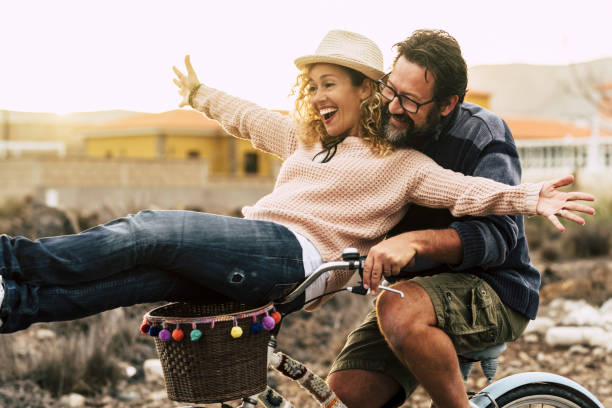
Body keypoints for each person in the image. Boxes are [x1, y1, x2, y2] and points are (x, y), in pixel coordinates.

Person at [0, 28, 592, 366]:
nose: (319, 97)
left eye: (330, 85)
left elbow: (468, 192)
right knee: (138, 281)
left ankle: (12, 257)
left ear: (367, 89)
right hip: (255, 249)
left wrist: (529, 196)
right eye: (313, 88)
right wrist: (201, 94)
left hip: (289, 256)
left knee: (152, 228)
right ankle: (16, 305)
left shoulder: (404, 164)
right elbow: (251, 119)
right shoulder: (309, 141)